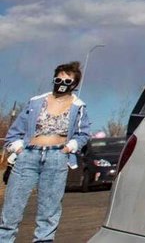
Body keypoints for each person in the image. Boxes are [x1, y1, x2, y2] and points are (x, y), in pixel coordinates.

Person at [0, 61, 92, 243]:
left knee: (49, 211)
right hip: (28, 156)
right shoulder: (36, 102)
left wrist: (69, 147)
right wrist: (19, 149)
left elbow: (83, 134)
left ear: (74, 84)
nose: (62, 83)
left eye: (67, 81)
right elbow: (15, 132)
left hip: (56, 158)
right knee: (12, 208)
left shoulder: (78, 106)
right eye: (59, 79)